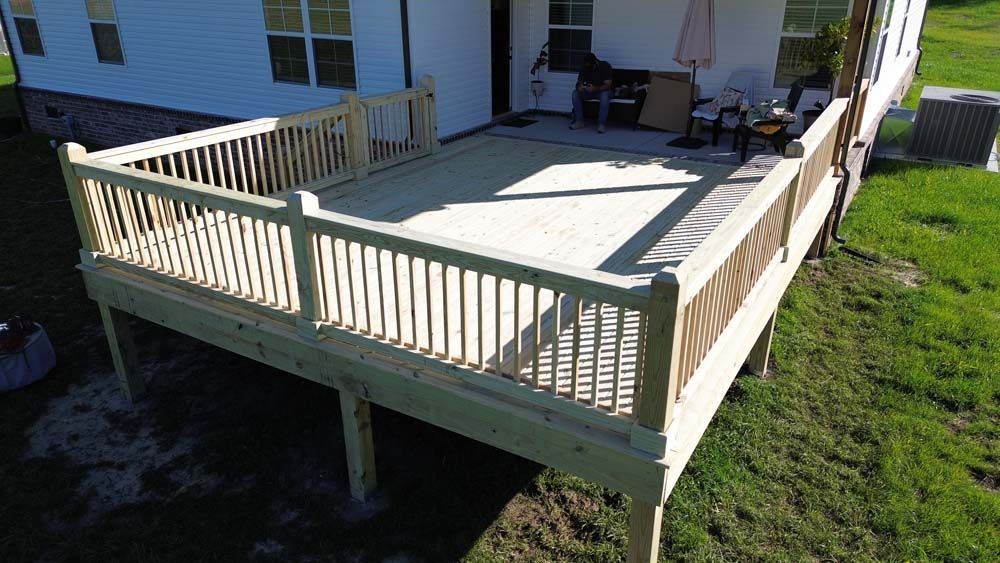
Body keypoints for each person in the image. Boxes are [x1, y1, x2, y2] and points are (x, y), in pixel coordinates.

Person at [570, 53, 613, 133]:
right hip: (589, 91)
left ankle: (601, 124)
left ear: (596, 62)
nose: (588, 68)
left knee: (605, 95)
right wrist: (579, 87)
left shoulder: (605, 66)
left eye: (591, 67)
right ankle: (579, 121)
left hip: (602, 91)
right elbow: (578, 83)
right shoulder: (584, 67)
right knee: (575, 93)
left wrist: (595, 88)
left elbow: (608, 85)